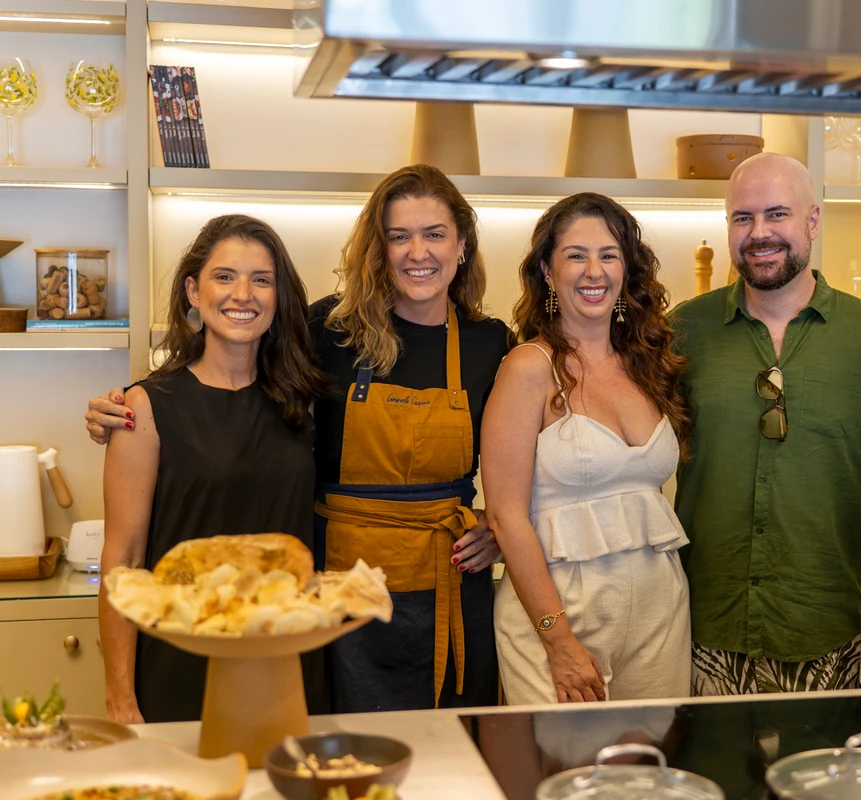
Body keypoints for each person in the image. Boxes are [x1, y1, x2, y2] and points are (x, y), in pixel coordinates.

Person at [88, 164, 510, 712]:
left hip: (451, 589)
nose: (418, 252)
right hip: (335, 603)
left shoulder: (492, 343)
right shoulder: (326, 333)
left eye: (434, 235)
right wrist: (121, 409)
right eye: (398, 236)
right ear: (377, 249)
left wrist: (499, 529)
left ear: (462, 245)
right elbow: (222, 366)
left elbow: (525, 459)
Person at [669, 153, 861, 696]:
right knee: (714, 780)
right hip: (702, 629)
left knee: (817, 783)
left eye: (777, 214)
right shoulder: (681, 333)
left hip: (826, 631)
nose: (759, 233)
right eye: (742, 218)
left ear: (813, 221)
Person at [100, 214, 327, 723]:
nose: (242, 294)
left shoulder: (304, 402)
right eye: (224, 276)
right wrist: (120, 697)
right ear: (193, 291)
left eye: (261, 280)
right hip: (183, 659)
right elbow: (123, 559)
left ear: (279, 296)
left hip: (289, 656)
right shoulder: (145, 407)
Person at [482, 192, 692, 704]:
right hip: (556, 617)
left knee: (648, 776)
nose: (593, 270)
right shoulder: (528, 368)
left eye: (609, 254)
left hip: (659, 612)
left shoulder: (650, 363)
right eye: (576, 255)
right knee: (558, 774)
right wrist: (557, 640)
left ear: (627, 270)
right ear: (548, 273)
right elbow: (507, 517)